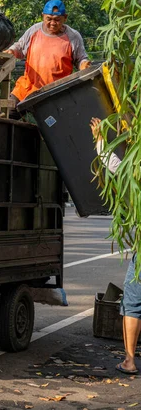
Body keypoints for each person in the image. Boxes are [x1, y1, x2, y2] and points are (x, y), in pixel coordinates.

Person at [90, 117, 141, 375]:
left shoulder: (136, 173)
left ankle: (130, 361)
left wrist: (100, 139)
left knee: (133, 303)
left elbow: (115, 169)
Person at [5, 0, 92, 107]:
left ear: (65, 18)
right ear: (43, 16)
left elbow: (81, 59)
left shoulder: (73, 36)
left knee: (49, 121)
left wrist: (84, 65)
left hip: (55, 94)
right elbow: (20, 47)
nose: (52, 23)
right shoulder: (34, 30)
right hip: (27, 87)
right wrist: (11, 51)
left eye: (57, 20)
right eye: (49, 19)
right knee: (7, 111)